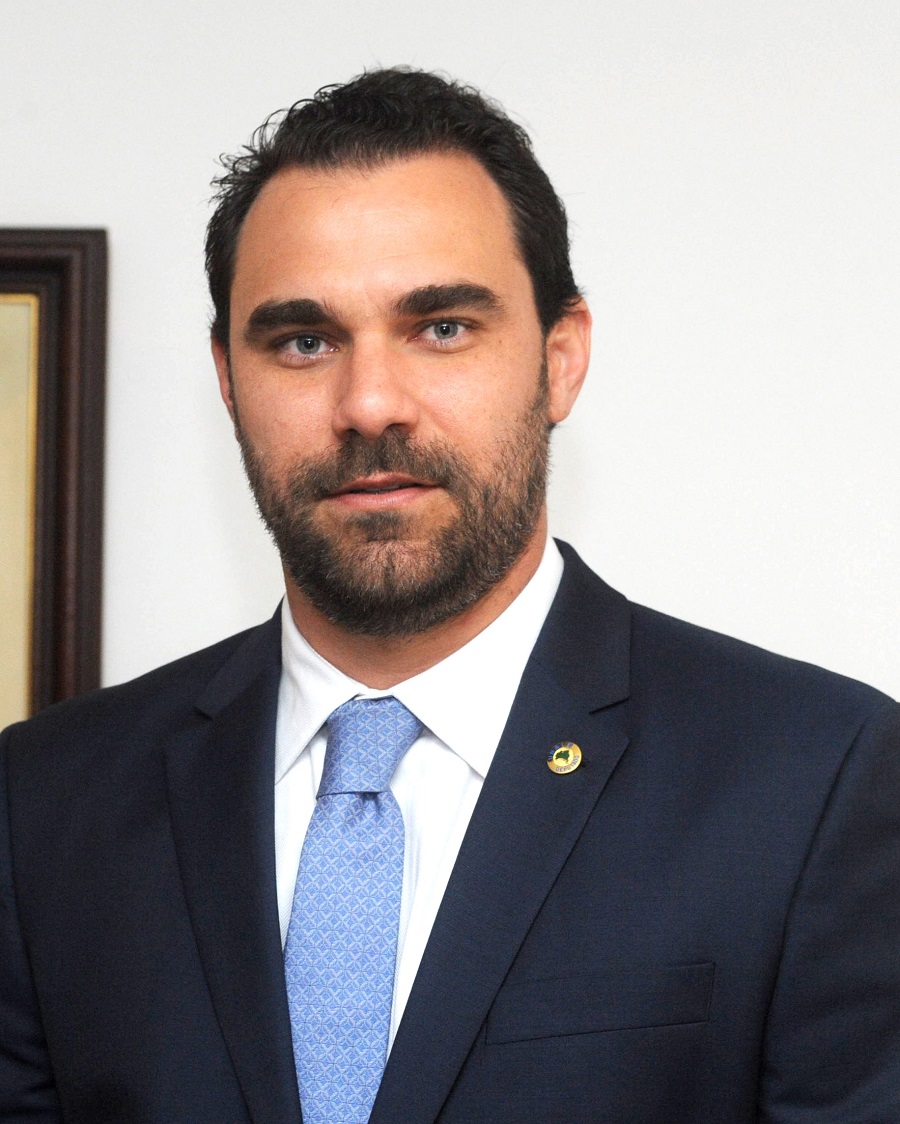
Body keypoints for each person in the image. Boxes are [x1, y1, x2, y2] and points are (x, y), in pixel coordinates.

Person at [1, 68, 898, 1124]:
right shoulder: (40, 805)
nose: (369, 403)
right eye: (303, 341)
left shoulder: (813, 781)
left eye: (441, 327)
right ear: (229, 381)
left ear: (561, 359)